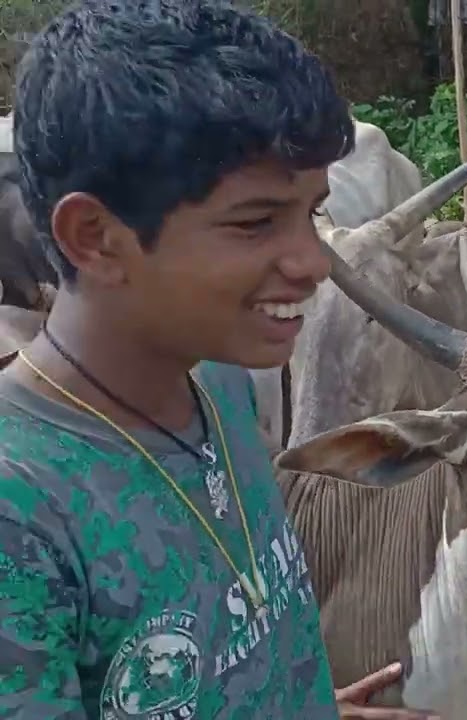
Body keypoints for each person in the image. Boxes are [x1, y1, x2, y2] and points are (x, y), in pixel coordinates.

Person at [0, 1, 438, 718]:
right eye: (255, 223)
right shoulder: (20, 515)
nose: (313, 261)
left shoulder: (221, 382)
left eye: (312, 213)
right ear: (95, 236)